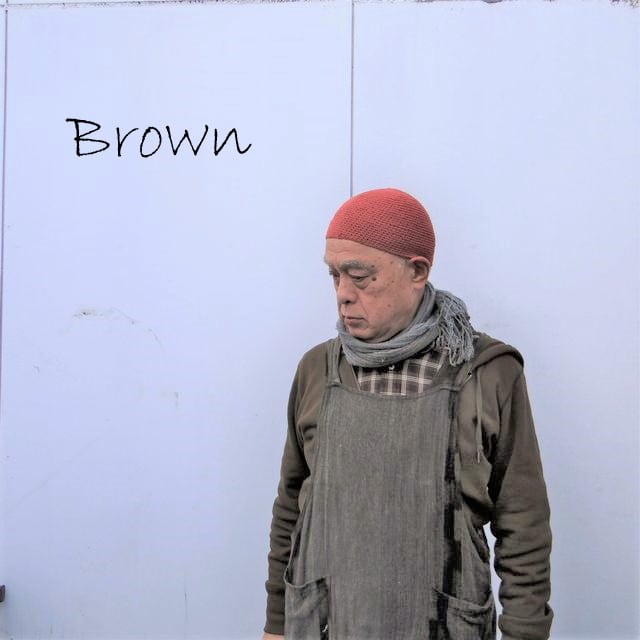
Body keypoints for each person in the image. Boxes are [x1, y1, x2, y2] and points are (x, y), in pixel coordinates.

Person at [262, 188, 553, 640]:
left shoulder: (486, 373)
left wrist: (525, 633)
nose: (343, 295)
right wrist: (277, 624)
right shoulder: (317, 370)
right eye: (335, 276)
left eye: (361, 277)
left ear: (418, 271)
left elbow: (523, 524)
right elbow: (291, 506)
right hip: (326, 625)